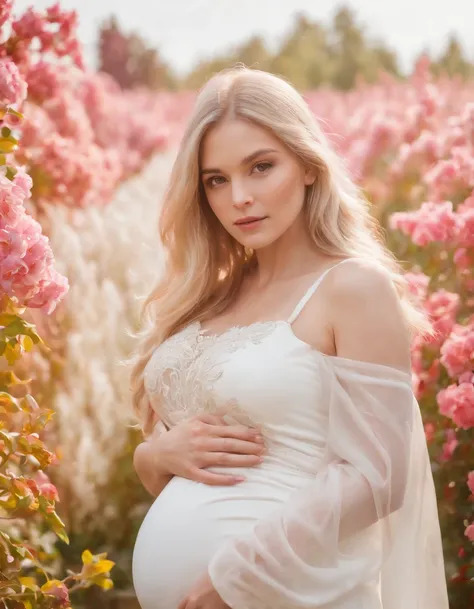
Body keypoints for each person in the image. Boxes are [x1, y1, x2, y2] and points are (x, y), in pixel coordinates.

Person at [129, 66, 449, 609]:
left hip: (289, 593)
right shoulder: (211, 296)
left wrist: (237, 579)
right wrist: (153, 456)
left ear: (306, 164)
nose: (241, 197)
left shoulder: (352, 287)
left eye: (261, 167)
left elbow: (377, 475)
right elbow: (183, 458)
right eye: (217, 179)